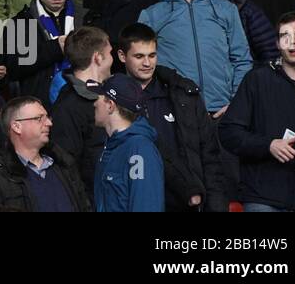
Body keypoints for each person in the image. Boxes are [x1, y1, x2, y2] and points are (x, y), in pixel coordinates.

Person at [222, 12, 295, 211]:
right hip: (262, 197)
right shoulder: (256, 80)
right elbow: (228, 132)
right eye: (285, 36)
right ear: (277, 43)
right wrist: (268, 145)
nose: (292, 42)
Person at [117, 22, 230, 212]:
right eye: (139, 56)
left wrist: (217, 206)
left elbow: (209, 156)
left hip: (186, 203)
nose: (147, 63)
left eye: (152, 55)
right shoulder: (111, 100)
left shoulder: (183, 93)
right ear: (122, 56)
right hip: (137, 202)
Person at [139, 0, 252, 115]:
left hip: (220, 111)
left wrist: (235, 103)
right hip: (175, 113)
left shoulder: (225, 9)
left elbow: (242, 60)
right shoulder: (152, 14)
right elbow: (138, 64)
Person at [0, 95, 92, 212]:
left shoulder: (64, 164)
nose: (49, 123)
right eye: (39, 118)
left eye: (47, 117)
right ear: (17, 127)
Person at [48, 26, 112, 191]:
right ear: (98, 58)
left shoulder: (107, 95)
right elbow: (66, 167)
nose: (113, 59)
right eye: (110, 53)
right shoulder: (68, 107)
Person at [93, 74, 166, 212]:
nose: (94, 103)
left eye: (98, 98)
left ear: (110, 105)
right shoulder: (111, 145)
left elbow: (147, 207)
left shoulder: (140, 149)